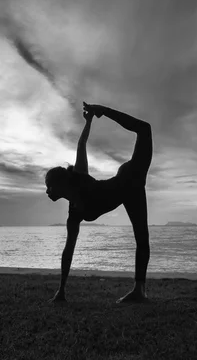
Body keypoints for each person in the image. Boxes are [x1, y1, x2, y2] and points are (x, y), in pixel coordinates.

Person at [45, 102, 153, 303]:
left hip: (131, 177)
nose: (47, 191)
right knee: (141, 238)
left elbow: (82, 143)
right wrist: (61, 291)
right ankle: (139, 291)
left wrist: (93, 117)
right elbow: (68, 250)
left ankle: (140, 291)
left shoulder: (79, 177)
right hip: (127, 191)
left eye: (49, 186)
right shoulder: (73, 215)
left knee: (145, 129)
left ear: (61, 184)